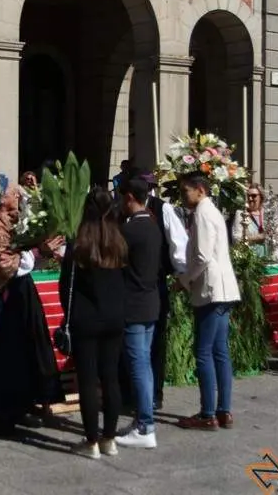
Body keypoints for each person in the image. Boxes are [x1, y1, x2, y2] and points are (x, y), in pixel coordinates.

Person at [0, 175, 59, 435]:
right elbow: (4, 263)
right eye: (12, 193)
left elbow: (23, 251)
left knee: (17, 353)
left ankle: (18, 407)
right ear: (0, 199)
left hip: (15, 295)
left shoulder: (11, 220)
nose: (17, 195)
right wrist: (38, 251)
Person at [59, 187, 127, 459]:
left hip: (86, 317)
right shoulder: (118, 240)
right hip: (114, 316)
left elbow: (66, 285)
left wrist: (68, 313)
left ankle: (91, 441)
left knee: (87, 379)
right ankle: (109, 437)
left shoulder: (78, 243)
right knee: (111, 377)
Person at [176, 172, 240, 431]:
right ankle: (223, 410)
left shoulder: (202, 213)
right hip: (224, 288)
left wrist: (183, 280)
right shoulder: (212, 211)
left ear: (200, 190)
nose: (183, 196)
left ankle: (208, 412)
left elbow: (202, 256)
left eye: (186, 191)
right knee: (220, 351)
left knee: (204, 352)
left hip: (211, 289)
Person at [114, 176, 161, 449]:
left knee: (139, 365)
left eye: (122, 196)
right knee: (144, 363)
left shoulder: (130, 230)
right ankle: (144, 421)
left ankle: (145, 425)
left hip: (133, 304)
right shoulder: (152, 226)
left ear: (130, 197)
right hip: (149, 301)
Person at [141, 172, 187, 411]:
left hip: (156, 281)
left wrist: (181, 274)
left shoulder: (163, 209)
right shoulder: (123, 210)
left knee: (157, 340)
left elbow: (179, 245)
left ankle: (155, 393)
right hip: (132, 285)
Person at [231, 183, 268, 256]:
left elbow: (272, 236)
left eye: (254, 196)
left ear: (261, 197)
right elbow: (236, 240)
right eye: (248, 196)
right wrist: (259, 237)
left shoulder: (266, 214)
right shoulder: (240, 214)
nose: (250, 198)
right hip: (248, 259)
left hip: (266, 257)